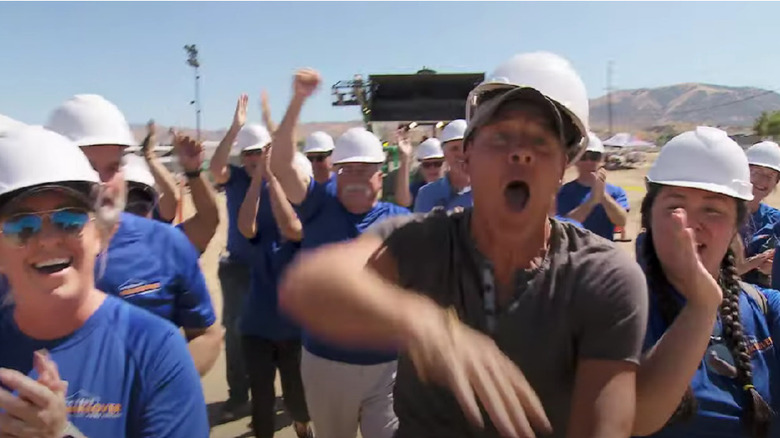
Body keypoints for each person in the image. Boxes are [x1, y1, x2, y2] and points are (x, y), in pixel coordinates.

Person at [278, 52, 647, 438]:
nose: (519, 152)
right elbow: (312, 283)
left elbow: (605, 424)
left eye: (540, 140)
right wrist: (426, 324)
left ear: (563, 166)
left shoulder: (602, 276)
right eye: (500, 137)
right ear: (467, 158)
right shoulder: (421, 241)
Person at [0, 126, 209, 437]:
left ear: (101, 235)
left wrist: (61, 434)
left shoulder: (155, 350)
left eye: (69, 220)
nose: (48, 240)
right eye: (22, 226)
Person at [271, 69, 410, 438]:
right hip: (326, 363)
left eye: (366, 171)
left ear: (382, 175)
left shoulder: (402, 222)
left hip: (387, 367)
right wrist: (298, 100)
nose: (357, 179)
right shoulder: (319, 205)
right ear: (335, 173)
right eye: (348, 170)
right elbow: (282, 165)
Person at [45, 94, 222, 377]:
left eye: (113, 167)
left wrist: (160, 391)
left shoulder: (166, 244)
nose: (102, 183)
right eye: (88, 167)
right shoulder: (17, 251)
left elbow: (207, 335)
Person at [634, 126, 780, 438]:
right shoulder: (610, 305)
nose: (690, 224)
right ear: (649, 213)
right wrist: (701, 307)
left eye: (713, 209)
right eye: (675, 205)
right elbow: (634, 419)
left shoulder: (763, 307)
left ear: (737, 225)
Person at [238, 149, 314, 438]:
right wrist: (260, 175)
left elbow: (293, 228)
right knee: (261, 399)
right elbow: (245, 225)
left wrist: (273, 176)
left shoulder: (310, 221)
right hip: (256, 328)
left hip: (294, 331)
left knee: (297, 398)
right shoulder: (265, 231)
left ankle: (302, 425)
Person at [207, 93, 270, 419]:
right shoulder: (236, 179)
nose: (252, 159)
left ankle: (274, 394)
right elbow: (214, 167)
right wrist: (235, 128)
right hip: (237, 269)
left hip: (272, 267)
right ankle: (238, 396)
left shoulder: (280, 180)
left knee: (277, 332)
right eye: (247, 153)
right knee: (235, 334)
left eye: (258, 152)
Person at [122, 132, 220, 254]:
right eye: (127, 198)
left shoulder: (164, 243)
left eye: (142, 199)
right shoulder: (96, 249)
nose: (133, 206)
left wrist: (193, 172)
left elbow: (208, 221)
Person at [557, 132, 629, 240]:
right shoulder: (562, 192)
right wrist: (591, 202)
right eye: (583, 157)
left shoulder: (616, 192)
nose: (589, 162)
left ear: (602, 160)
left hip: (604, 253)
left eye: (594, 157)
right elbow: (562, 227)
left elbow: (621, 221)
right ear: (575, 160)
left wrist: (603, 196)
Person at [736, 141, 780, 286]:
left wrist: (773, 268)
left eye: (770, 176)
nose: (762, 180)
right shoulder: (723, 214)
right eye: (757, 172)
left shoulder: (775, 219)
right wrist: (753, 263)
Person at [413, 119, 473, 213]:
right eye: (454, 149)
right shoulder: (427, 194)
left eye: (466, 147)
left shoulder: (491, 192)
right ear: (444, 153)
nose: (461, 153)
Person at [394, 136, 446, 208]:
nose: (432, 168)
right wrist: (405, 159)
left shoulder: (454, 186)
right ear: (421, 167)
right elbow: (404, 202)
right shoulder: (418, 189)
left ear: (446, 164)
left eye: (437, 164)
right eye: (426, 165)